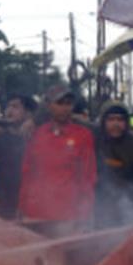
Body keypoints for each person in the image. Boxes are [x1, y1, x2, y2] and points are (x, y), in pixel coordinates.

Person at [18, 84, 97, 234]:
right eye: (59, 103)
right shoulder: (37, 134)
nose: (65, 108)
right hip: (35, 215)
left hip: (67, 217)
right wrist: (22, 207)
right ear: (48, 106)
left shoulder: (83, 135)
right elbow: (27, 173)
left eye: (68, 103)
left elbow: (88, 178)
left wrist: (85, 216)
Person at [0, 95, 35, 219]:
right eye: (8, 106)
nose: (9, 110)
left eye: (15, 106)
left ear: (28, 114)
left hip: (31, 206)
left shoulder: (37, 139)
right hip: (1, 207)